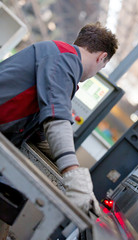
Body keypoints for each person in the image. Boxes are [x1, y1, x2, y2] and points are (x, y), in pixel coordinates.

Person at [0, 22, 118, 216]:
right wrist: (74, 177)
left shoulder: (58, 57)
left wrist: (71, 168)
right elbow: (56, 119)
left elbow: (41, 131)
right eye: (101, 68)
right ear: (102, 57)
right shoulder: (65, 59)